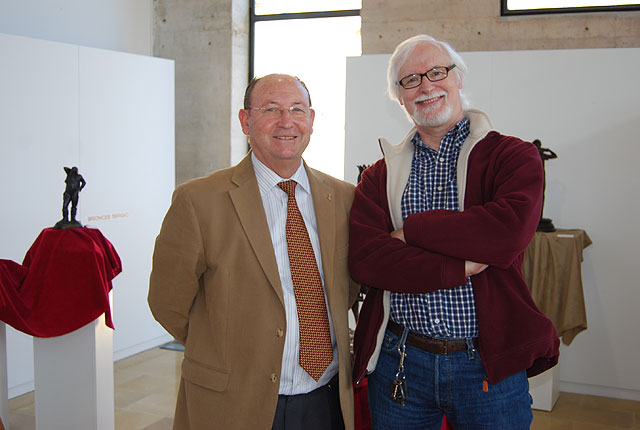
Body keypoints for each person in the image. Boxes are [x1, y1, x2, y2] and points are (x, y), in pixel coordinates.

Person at [349, 35, 560, 429]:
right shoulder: (378, 177)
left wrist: (410, 232)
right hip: (401, 361)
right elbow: (367, 260)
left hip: (487, 366)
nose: (426, 86)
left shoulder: (512, 157)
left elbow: (505, 234)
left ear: (458, 78)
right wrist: (458, 267)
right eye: (411, 79)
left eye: (436, 72)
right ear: (399, 97)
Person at [148, 74, 359, 430]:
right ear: (246, 121)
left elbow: (347, 288)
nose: (286, 121)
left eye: (297, 110)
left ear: (311, 120)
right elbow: (167, 301)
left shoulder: (343, 197)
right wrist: (222, 349)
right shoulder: (198, 200)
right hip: (234, 401)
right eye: (271, 109)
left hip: (325, 400)